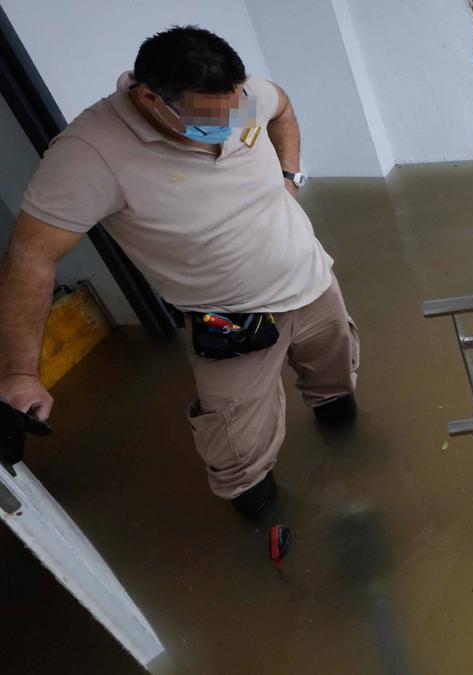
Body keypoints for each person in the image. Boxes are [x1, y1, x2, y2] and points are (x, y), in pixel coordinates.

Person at [0, 26, 358, 517]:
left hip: (314, 283)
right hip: (232, 321)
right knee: (238, 454)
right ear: (150, 97)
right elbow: (31, 256)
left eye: (235, 109)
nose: (230, 122)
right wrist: (20, 373)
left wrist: (289, 177)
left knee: (336, 389)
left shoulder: (240, 98)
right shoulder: (90, 155)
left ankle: (348, 447)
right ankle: (265, 533)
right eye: (211, 118)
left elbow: (283, 109)